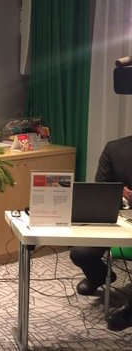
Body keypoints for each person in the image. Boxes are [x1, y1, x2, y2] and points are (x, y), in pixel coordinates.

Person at [69, 135, 132, 330]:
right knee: (80, 253)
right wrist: (120, 194)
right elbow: (101, 189)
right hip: (117, 218)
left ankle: (129, 312)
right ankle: (98, 276)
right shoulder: (115, 149)